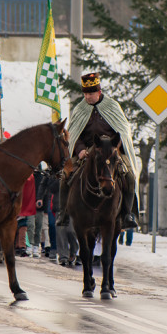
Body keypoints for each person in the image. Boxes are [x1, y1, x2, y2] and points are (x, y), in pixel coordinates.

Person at [60, 71, 140, 230]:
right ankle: (64, 213)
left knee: (130, 176)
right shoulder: (80, 109)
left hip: (112, 149)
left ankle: (127, 214)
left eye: (91, 93)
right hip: (89, 149)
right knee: (65, 174)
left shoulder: (112, 106)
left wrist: (115, 147)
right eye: (85, 93)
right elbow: (74, 135)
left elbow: (122, 131)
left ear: (99, 92)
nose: (88, 97)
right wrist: (81, 149)